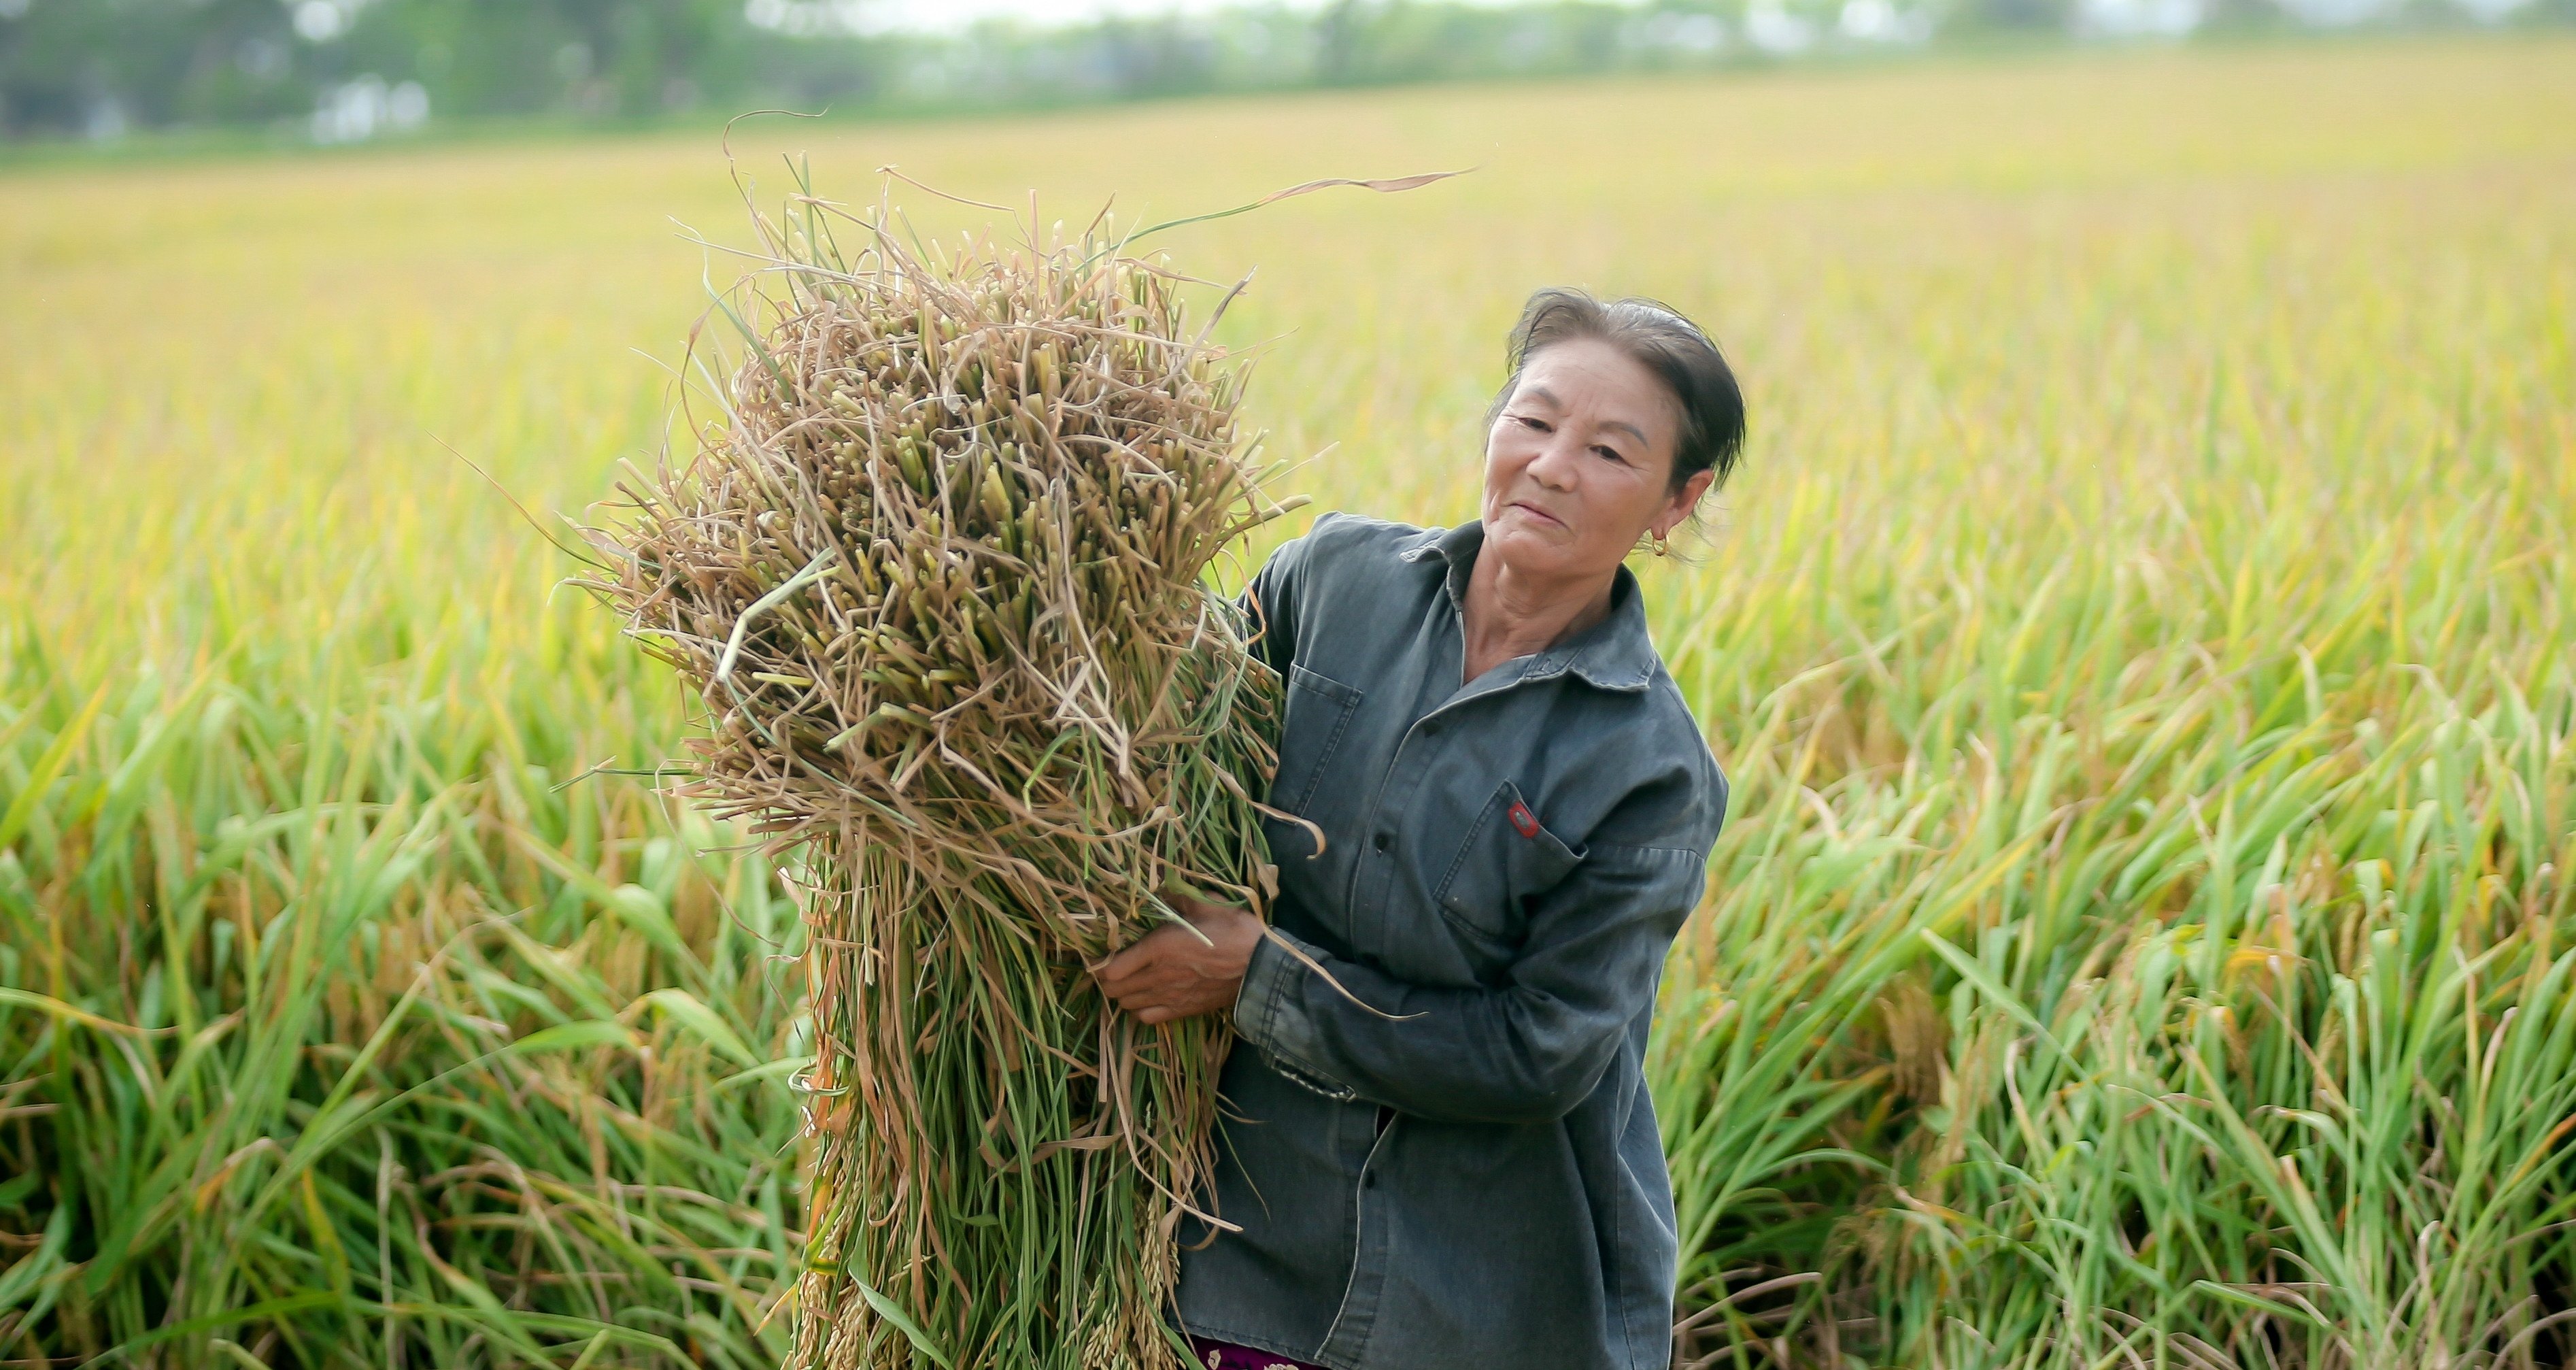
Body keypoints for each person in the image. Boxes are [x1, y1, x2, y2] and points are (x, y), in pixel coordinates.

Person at [1094, 287, 1746, 1370]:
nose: (1550, 465)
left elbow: (1538, 1052)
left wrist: (1257, 978)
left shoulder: (1647, 767)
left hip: (1477, 1295)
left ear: (1678, 502)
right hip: (1245, 1250)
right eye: (1532, 421)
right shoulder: (1330, 582)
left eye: (1611, 452)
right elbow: (1166, 759)